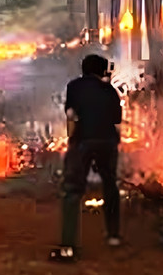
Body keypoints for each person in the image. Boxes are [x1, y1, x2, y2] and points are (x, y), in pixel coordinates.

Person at [51, 52, 123, 262]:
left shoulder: (75, 86)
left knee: (72, 191)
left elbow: (72, 116)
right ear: (101, 71)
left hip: (83, 140)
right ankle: (113, 236)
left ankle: (68, 245)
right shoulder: (110, 91)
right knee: (110, 186)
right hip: (107, 141)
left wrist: (72, 141)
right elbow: (118, 124)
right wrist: (113, 145)